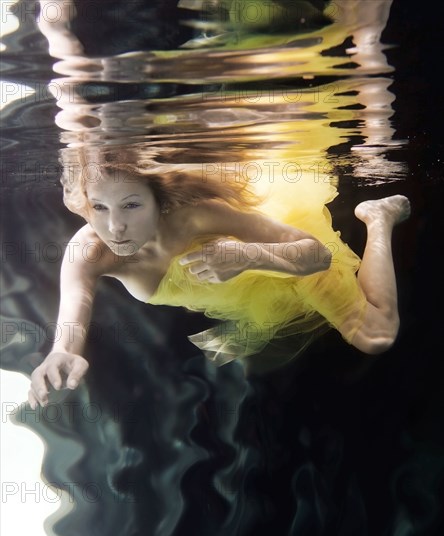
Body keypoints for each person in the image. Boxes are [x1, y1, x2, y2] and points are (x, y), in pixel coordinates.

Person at [27, 151, 410, 409]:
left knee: (376, 336)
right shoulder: (90, 249)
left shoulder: (197, 217)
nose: (115, 226)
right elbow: (75, 307)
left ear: (159, 201)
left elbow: (317, 255)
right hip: (246, 290)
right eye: (99, 207)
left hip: (283, 263)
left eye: (131, 204)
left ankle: (378, 218)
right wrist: (64, 350)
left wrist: (248, 255)